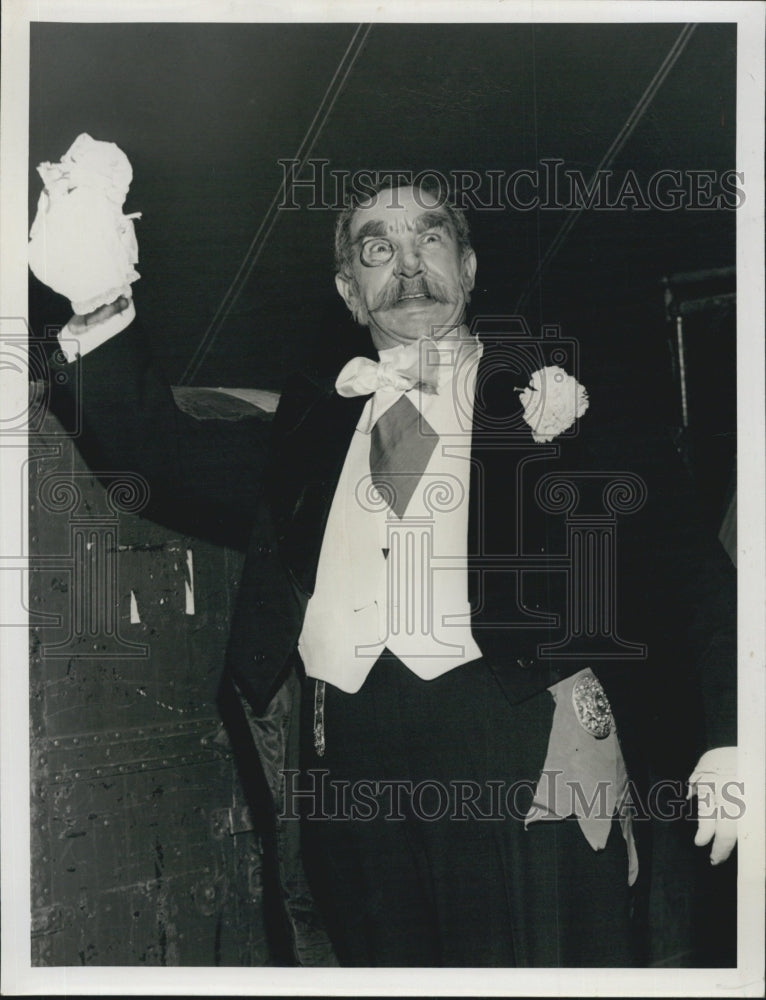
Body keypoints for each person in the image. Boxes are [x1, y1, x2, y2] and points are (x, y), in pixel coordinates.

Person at [35, 153, 737, 966]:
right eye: (377, 248)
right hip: (348, 760)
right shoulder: (312, 427)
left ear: (467, 269)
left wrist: (733, 737)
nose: (407, 265)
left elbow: (693, 570)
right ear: (348, 290)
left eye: (429, 239)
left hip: (520, 747)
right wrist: (100, 299)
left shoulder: (560, 400)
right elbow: (157, 460)